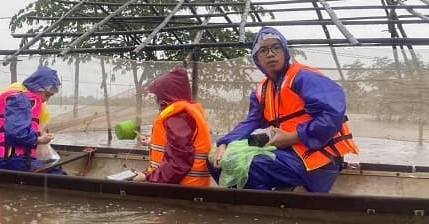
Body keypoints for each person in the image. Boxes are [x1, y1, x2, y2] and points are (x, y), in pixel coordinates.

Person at [212, 26, 359, 192]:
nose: (270, 54)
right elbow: (252, 122)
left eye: (276, 47)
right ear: (257, 59)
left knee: (254, 164)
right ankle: (248, 202)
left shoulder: (303, 77)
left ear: (285, 52)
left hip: (316, 154)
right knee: (216, 159)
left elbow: (331, 115)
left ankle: (263, 210)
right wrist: (225, 143)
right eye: (263, 50)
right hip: (283, 149)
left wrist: (292, 137)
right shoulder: (261, 90)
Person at [132, 67, 212, 186]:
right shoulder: (182, 113)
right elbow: (177, 144)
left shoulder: (178, 116)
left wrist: (147, 176)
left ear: (166, 95)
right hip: (181, 184)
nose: (156, 99)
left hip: (182, 188)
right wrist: (151, 140)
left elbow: (179, 161)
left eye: (157, 95)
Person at [0, 65, 64, 173]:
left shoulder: (26, 100)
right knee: (56, 173)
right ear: (38, 88)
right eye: (47, 95)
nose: (46, 99)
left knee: (54, 166)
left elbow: (21, 127)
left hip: (20, 158)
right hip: (11, 160)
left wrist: (40, 135)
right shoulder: (21, 100)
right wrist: (39, 140)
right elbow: (16, 132)